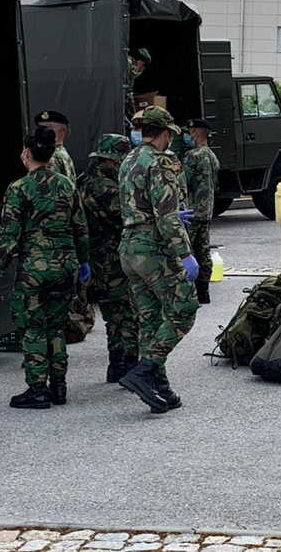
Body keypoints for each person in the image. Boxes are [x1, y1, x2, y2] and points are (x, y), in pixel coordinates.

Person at [0, 127, 90, 408]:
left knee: (33, 328)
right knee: (56, 327)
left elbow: (9, 234)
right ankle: (59, 387)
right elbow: (80, 228)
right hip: (65, 267)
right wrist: (84, 260)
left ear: (26, 153)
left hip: (34, 270)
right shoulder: (67, 185)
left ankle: (37, 390)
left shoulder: (19, 189)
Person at [118, 105, 200, 414]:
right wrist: (186, 254)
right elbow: (166, 218)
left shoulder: (128, 160)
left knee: (150, 319)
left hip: (129, 248)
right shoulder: (162, 162)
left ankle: (159, 386)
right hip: (154, 250)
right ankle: (143, 372)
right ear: (164, 133)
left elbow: (136, 205)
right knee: (183, 310)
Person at [78, 133, 139, 383]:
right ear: (114, 161)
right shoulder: (110, 190)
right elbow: (125, 221)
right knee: (125, 315)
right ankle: (128, 366)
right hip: (112, 261)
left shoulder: (81, 181)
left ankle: (116, 366)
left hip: (91, 261)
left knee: (111, 315)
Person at [182, 118, 220, 305]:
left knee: (187, 250)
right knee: (203, 250)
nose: (188, 136)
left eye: (190, 132)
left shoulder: (192, 156)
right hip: (206, 211)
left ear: (196, 133)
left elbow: (183, 183)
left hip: (190, 212)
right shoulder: (212, 156)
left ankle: (188, 293)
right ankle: (204, 291)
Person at [34, 110, 75, 181]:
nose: (41, 131)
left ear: (63, 130)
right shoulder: (62, 153)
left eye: (47, 128)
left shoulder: (51, 156)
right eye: (40, 128)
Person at [125, 47, 152, 119]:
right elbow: (127, 81)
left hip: (126, 95)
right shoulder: (128, 62)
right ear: (140, 61)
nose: (142, 68)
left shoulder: (132, 65)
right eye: (143, 65)